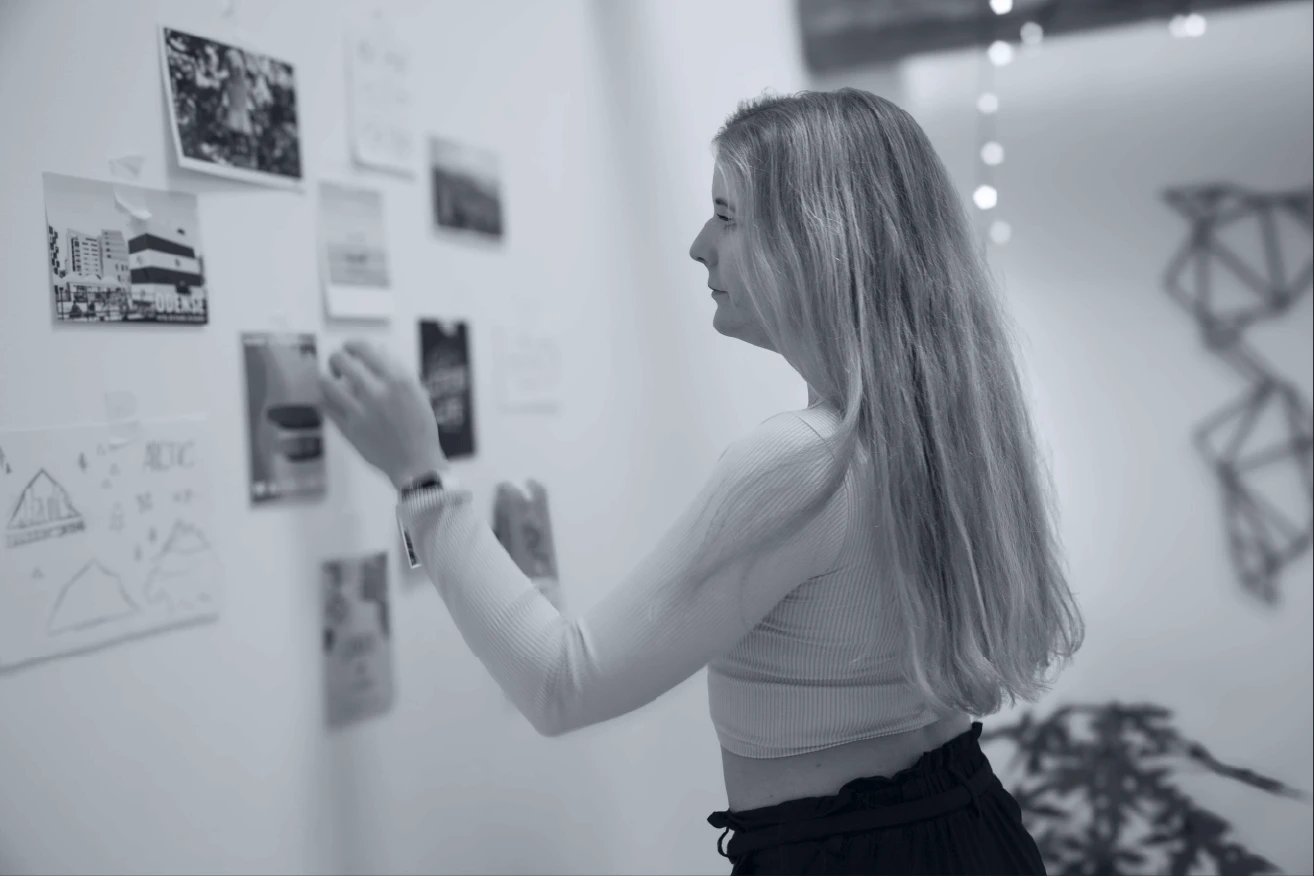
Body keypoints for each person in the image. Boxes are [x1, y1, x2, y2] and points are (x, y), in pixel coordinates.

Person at [319, 87, 1084, 875]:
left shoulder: (801, 463)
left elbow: (562, 685)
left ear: (817, 239)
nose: (698, 245)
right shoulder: (939, 437)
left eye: (726, 214)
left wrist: (419, 478)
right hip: (975, 831)